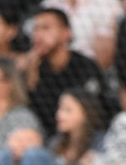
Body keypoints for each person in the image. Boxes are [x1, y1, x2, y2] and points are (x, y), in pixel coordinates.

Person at [25, 8, 107, 137]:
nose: (38, 35)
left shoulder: (84, 66)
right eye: (36, 29)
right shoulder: (33, 67)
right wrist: (30, 78)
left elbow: (97, 111)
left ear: (66, 33)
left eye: (46, 28)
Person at [39, 0, 124, 69]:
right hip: (53, 69)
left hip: (89, 71)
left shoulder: (107, 2)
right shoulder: (51, 1)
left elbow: (105, 57)